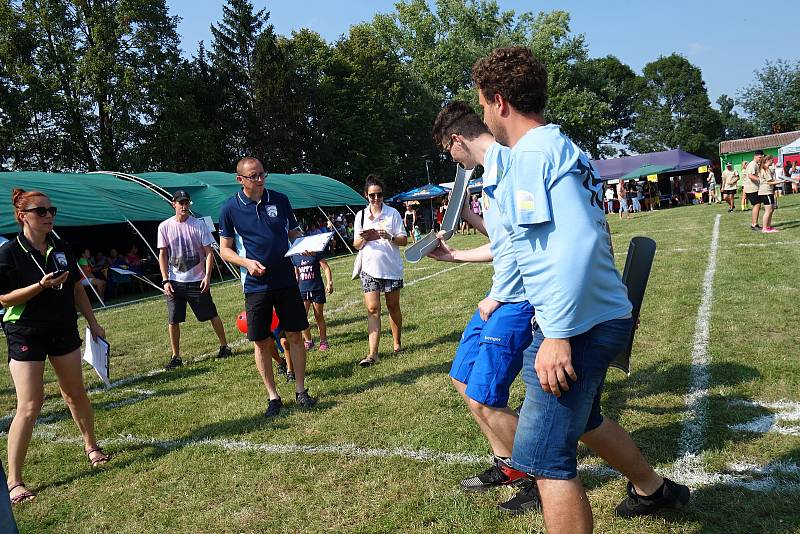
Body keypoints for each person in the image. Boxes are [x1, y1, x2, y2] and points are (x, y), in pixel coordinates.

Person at [472, 46, 689, 531]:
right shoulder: (556, 146)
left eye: (483, 104)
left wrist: (558, 335)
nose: (484, 114)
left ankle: (652, 490)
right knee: (586, 420)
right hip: (591, 314)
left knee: (548, 462)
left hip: (577, 324)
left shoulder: (531, 156)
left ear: (499, 101)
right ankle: (654, 490)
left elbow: (574, 246)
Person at [429, 101, 535, 508]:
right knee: (462, 378)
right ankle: (507, 462)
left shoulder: (510, 168)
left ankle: (537, 475)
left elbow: (530, 247)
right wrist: (455, 253)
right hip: (498, 296)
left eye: (447, 150)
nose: (451, 158)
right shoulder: (491, 176)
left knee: (486, 396)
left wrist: (497, 296)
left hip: (515, 300)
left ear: (457, 141)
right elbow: (502, 243)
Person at [0, 189, 111, 506]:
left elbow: (77, 286)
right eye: (41, 211)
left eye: (52, 210)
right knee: (30, 405)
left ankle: (91, 446)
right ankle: (14, 480)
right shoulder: (9, 253)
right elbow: (4, 299)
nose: (49, 215)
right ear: (23, 216)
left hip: (62, 327)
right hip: (25, 331)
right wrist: (40, 286)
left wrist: (92, 321)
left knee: (75, 392)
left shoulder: (61, 246)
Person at [219, 157, 318, 417]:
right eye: (254, 176)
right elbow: (225, 250)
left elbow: (293, 234)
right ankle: (273, 397)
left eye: (263, 174)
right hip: (255, 285)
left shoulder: (281, 200)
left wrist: (304, 244)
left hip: (286, 280)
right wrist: (246, 263)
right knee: (261, 341)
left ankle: (300, 391)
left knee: (295, 335)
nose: (260, 179)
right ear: (240, 180)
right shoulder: (229, 208)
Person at [157, 190, 232, 370]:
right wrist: (165, 280)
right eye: (180, 202)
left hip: (197, 280)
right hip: (175, 281)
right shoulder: (164, 226)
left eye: (186, 202)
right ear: (173, 204)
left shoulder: (198, 225)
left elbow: (208, 252)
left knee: (211, 314)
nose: (184, 206)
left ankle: (224, 346)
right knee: (173, 320)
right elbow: (163, 254)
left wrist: (207, 277)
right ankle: (176, 356)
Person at [352, 174, 408, 367]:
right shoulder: (360, 216)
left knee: (393, 306)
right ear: (366, 196)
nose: (376, 199)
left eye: (379, 195)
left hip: (391, 268)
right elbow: (356, 244)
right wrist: (365, 237)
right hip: (369, 268)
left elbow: (404, 240)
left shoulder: (393, 214)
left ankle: (397, 344)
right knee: (372, 309)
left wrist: (389, 235)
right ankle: (373, 353)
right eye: (372, 195)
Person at [291, 251, 333, 352]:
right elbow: (296, 274)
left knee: (319, 316)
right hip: (303, 291)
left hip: (316, 289)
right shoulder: (295, 256)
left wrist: (329, 283)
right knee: (302, 317)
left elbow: (326, 267)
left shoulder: (315, 253)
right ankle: (308, 341)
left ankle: (323, 341)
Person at [758, 155, 781, 233]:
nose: (773, 161)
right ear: (767, 160)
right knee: (768, 210)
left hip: (768, 191)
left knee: (772, 209)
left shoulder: (766, 168)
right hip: (765, 192)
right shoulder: (765, 169)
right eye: (772, 160)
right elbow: (769, 182)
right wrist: (781, 181)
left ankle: (768, 226)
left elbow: (771, 179)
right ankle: (764, 228)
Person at [745, 151, 764, 230]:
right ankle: (754, 224)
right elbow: (750, 175)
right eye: (760, 157)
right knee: (757, 205)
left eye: (761, 157)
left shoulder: (755, 164)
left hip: (753, 188)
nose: (760, 159)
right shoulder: (753, 164)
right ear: (755, 156)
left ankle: (754, 224)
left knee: (757, 205)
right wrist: (760, 180)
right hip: (752, 188)